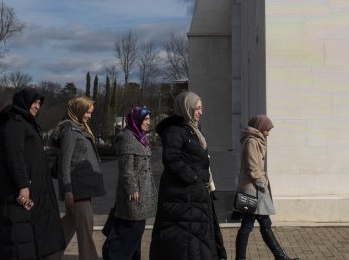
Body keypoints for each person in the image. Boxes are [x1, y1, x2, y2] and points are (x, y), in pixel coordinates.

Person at [0, 88, 66, 260]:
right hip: (15, 191)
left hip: (30, 188)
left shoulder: (26, 122)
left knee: (29, 239)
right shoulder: (14, 123)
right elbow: (15, 156)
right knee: (16, 240)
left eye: (39, 103)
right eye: (34, 102)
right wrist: (23, 186)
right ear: (24, 102)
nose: (37, 106)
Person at [149, 91, 226, 260]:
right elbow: (171, 159)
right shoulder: (174, 131)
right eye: (197, 108)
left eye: (201, 108)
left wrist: (207, 184)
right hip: (181, 196)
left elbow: (202, 160)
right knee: (184, 242)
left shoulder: (193, 130)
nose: (200, 112)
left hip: (195, 195)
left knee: (197, 240)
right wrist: (194, 179)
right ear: (186, 108)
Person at [234, 115, 298, 260]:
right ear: (259, 127)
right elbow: (252, 167)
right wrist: (262, 182)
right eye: (266, 130)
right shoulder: (251, 141)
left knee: (263, 223)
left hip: (255, 189)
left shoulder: (255, 140)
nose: (268, 133)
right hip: (253, 190)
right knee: (248, 225)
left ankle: (280, 256)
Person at [102, 106, 156, 260]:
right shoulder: (127, 138)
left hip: (141, 193)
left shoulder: (139, 137)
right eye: (145, 119)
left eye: (148, 119)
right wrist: (132, 188)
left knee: (134, 235)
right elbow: (126, 169)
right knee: (130, 230)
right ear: (136, 120)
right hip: (133, 195)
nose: (148, 122)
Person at [57, 95, 106, 260]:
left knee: (69, 225)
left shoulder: (79, 128)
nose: (89, 116)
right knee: (85, 228)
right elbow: (64, 163)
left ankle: (48, 255)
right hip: (77, 189)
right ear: (78, 110)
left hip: (82, 187)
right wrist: (68, 189)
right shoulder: (70, 131)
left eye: (91, 113)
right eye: (87, 112)